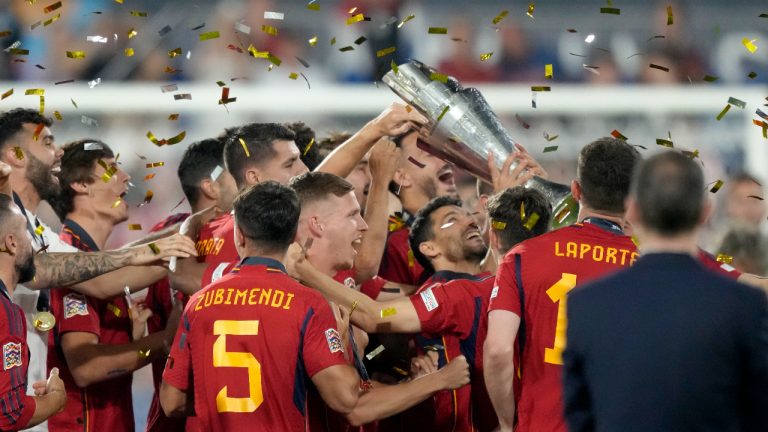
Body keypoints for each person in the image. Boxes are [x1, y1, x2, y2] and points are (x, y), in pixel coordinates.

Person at [0, 108, 198, 431]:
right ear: (15, 154)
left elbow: (106, 276)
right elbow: (86, 365)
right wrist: (163, 341)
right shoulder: (14, 231)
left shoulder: (38, 232)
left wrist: (197, 224)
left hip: (30, 410)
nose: (58, 151)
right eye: (48, 142)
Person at [293, 187, 551, 432]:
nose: (471, 222)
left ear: (492, 236)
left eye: (473, 218)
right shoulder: (553, 285)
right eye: (453, 219)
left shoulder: (457, 295)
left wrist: (303, 270)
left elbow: (375, 316)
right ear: (428, 248)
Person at [563, 151, 768, 432]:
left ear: (633, 210)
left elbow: (579, 416)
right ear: (705, 212)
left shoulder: (585, 304)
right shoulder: (745, 305)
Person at [160, 181, 360, 431]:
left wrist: (217, 400)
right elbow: (345, 398)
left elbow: (171, 401)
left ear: (240, 235)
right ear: (294, 236)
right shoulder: (307, 303)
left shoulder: (198, 302)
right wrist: (343, 347)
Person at [287, 171, 472, 429]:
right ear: (317, 225)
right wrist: (440, 380)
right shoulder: (301, 298)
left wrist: (409, 384)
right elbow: (353, 405)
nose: (363, 225)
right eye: (352, 215)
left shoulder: (342, 283)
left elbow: (359, 385)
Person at [484, 137, 641, 432]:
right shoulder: (650, 265)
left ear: (576, 189)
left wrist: (506, 423)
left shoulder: (524, 255)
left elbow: (497, 350)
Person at [43, 140, 181, 431]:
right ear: (81, 184)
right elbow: (86, 368)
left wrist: (132, 339)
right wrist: (167, 339)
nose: (126, 176)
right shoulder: (71, 263)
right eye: (112, 168)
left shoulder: (91, 259)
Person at [144, 136, 238, 432]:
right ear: (212, 186)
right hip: (192, 412)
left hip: (187, 411)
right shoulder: (172, 242)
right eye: (236, 171)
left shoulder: (171, 234)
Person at [0, 193, 67, 431]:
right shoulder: (6, 312)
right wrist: (56, 399)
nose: (33, 242)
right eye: (27, 232)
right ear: (12, 242)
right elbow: (8, 413)